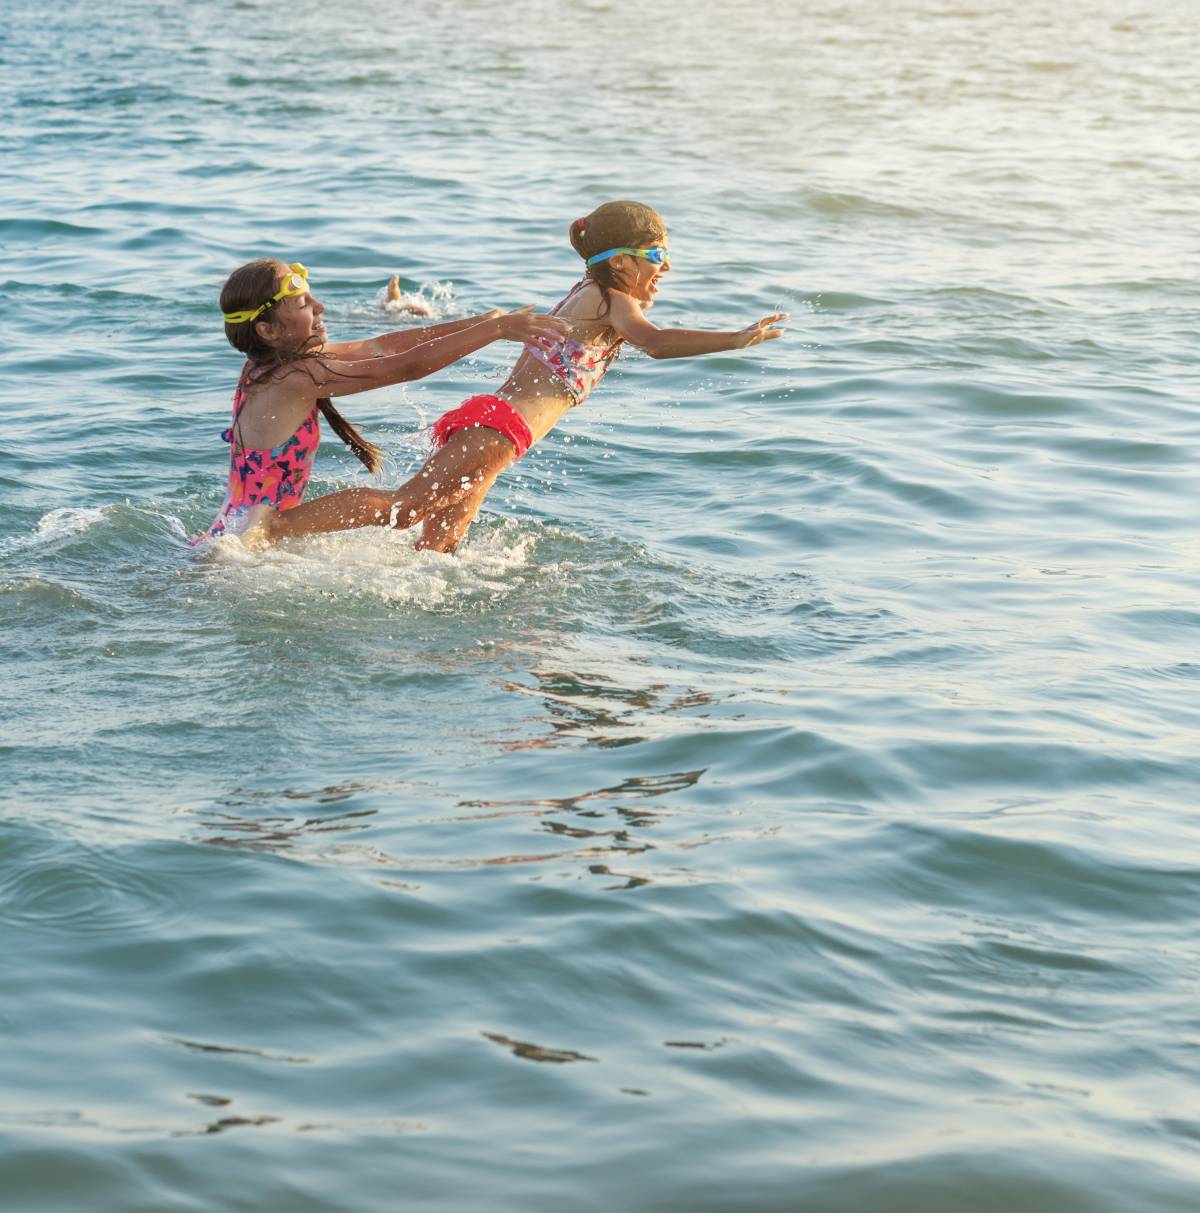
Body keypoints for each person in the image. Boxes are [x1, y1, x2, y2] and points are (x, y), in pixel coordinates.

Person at [410, 199, 787, 552]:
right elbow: (654, 342)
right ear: (620, 261)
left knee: (439, 547)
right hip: (501, 430)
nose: (668, 266)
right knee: (402, 509)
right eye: (657, 255)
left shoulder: (587, 292)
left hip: (491, 420)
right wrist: (733, 339)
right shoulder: (612, 300)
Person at [194, 258, 569, 546]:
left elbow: (383, 347)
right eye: (303, 303)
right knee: (398, 510)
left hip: (235, 531)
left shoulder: (271, 367)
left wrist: (479, 323)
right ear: (268, 330)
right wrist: (495, 331)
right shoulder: (297, 376)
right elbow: (404, 366)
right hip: (245, 540)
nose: (320, 306)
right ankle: (273, 526)